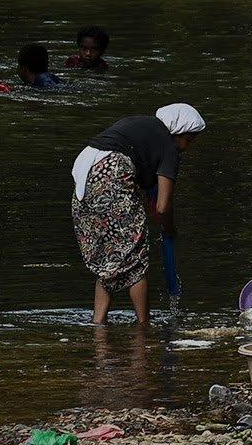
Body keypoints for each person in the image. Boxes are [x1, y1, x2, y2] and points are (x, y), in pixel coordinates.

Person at [71, 103, 206, 323]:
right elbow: (163, 206)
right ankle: (143, 327)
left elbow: (150, 196)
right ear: (178, 131)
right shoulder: (168, 146)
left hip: (83, 179)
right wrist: (170, 229)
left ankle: (99, 326)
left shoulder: (142, 126)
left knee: (109, 259)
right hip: (112, 175)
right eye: (189, 140)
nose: (187, 147)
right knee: (135, 260)